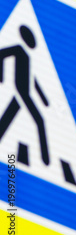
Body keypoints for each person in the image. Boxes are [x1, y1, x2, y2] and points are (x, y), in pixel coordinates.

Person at [0, 25, 50, 165]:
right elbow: (2, 54)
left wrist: (43, 99)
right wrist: (2, 76)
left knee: (7, 118)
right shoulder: (17, 49)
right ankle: (46, 160)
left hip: (22, 92)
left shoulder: (27, 56)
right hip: (20, 91)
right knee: (39, 120)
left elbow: (32, 80)